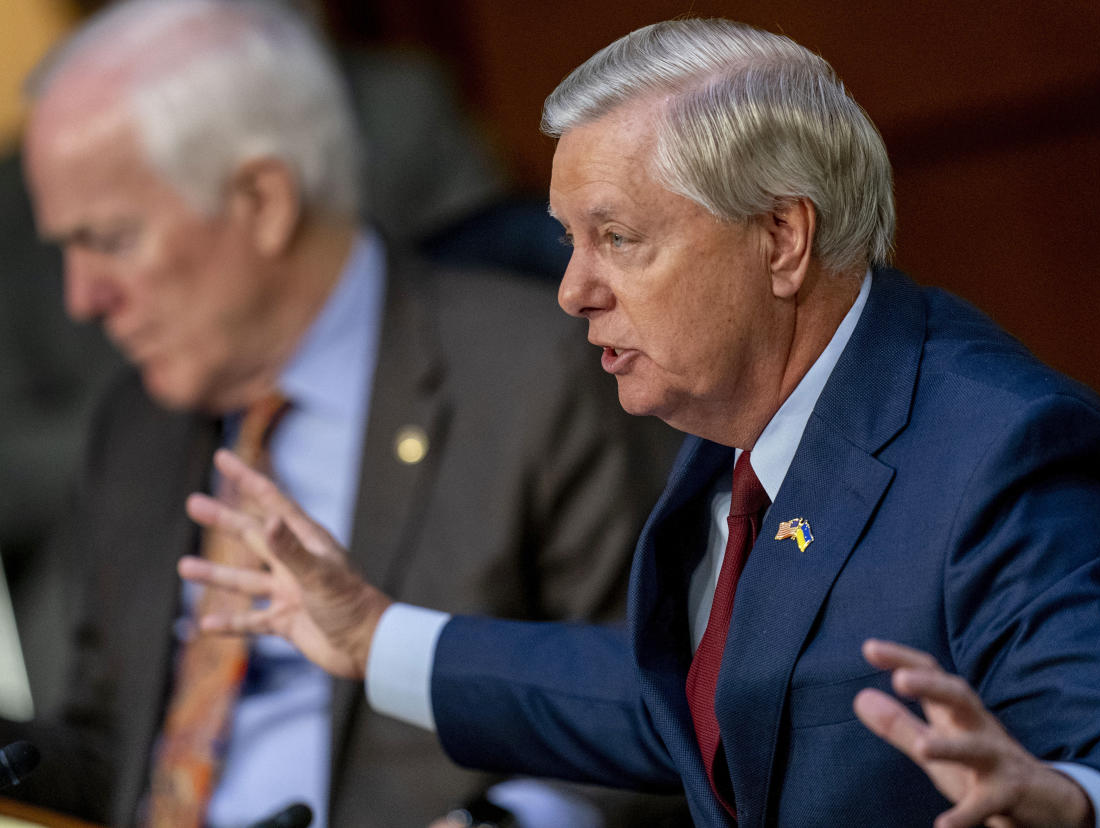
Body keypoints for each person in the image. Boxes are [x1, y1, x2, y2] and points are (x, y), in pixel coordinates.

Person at [182, 17, 1100, 828]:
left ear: (781, 238)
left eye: (618, 238)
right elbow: (693, 700)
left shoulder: (1005, 454)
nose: (571, 291)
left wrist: (1077, 801)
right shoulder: (740, 424)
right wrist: (374, 637)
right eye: (568, 242)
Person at [9, 1, 683, 825]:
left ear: (262, 200)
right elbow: (116, 751)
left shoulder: (535, 374)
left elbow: (664, 696)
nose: (83, 298)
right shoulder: (135, 423)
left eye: (109, 240)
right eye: (65, 248)